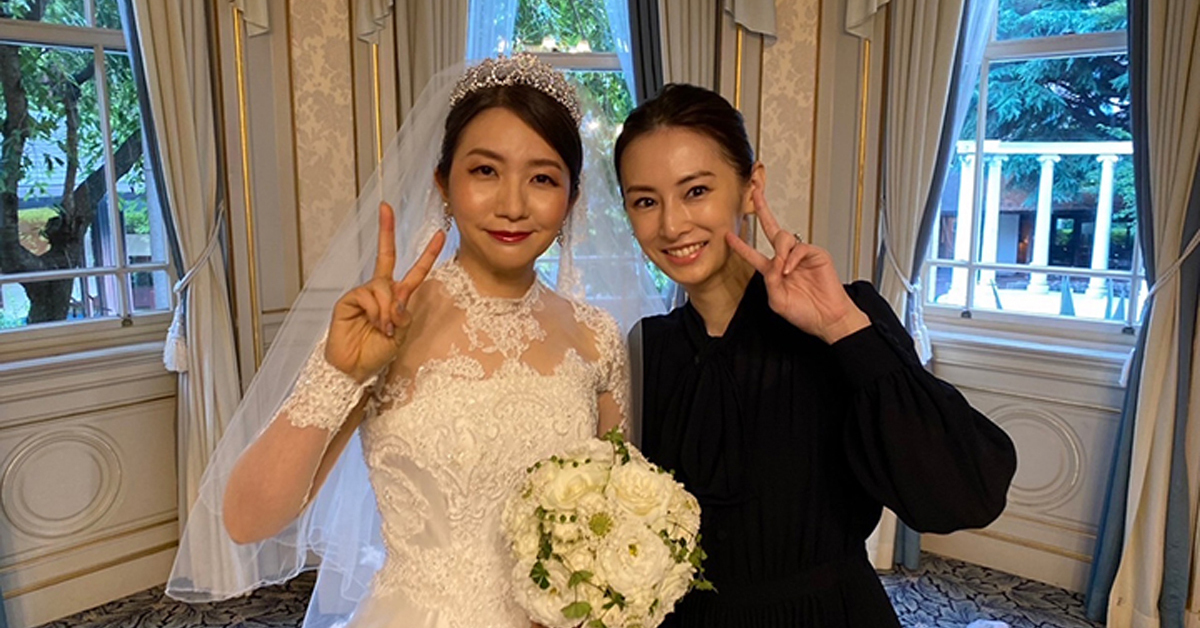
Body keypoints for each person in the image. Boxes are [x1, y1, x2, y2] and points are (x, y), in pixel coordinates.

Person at [168, 55, 660, 628]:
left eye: (543, 178)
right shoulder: (385, 324)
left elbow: (608, 519)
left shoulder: (596, 337)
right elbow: (247, 520)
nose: (512, 204)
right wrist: (341, 372)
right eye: (485, 171)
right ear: (443, 184)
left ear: (571, 201)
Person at [615, 83, 1018, 627]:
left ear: (751, 188)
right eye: (645, 201)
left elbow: (967, 496)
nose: (671, 224)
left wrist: (842, 327)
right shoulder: (649, 346)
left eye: (696, 191)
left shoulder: (844, 318)